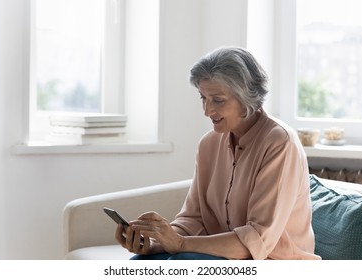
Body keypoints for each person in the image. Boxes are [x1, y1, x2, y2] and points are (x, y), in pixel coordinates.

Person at [115, 47, 321, 260]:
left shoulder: (280, 143)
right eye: (203, 98)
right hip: (223, 257)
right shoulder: (209, 144)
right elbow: (193, 219)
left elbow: (257, 241)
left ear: (246, 97)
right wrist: (157, 242)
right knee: (140, 262)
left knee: (181, 262)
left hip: (274, 263)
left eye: (218, 100)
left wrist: (180, 244)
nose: (207, 110)